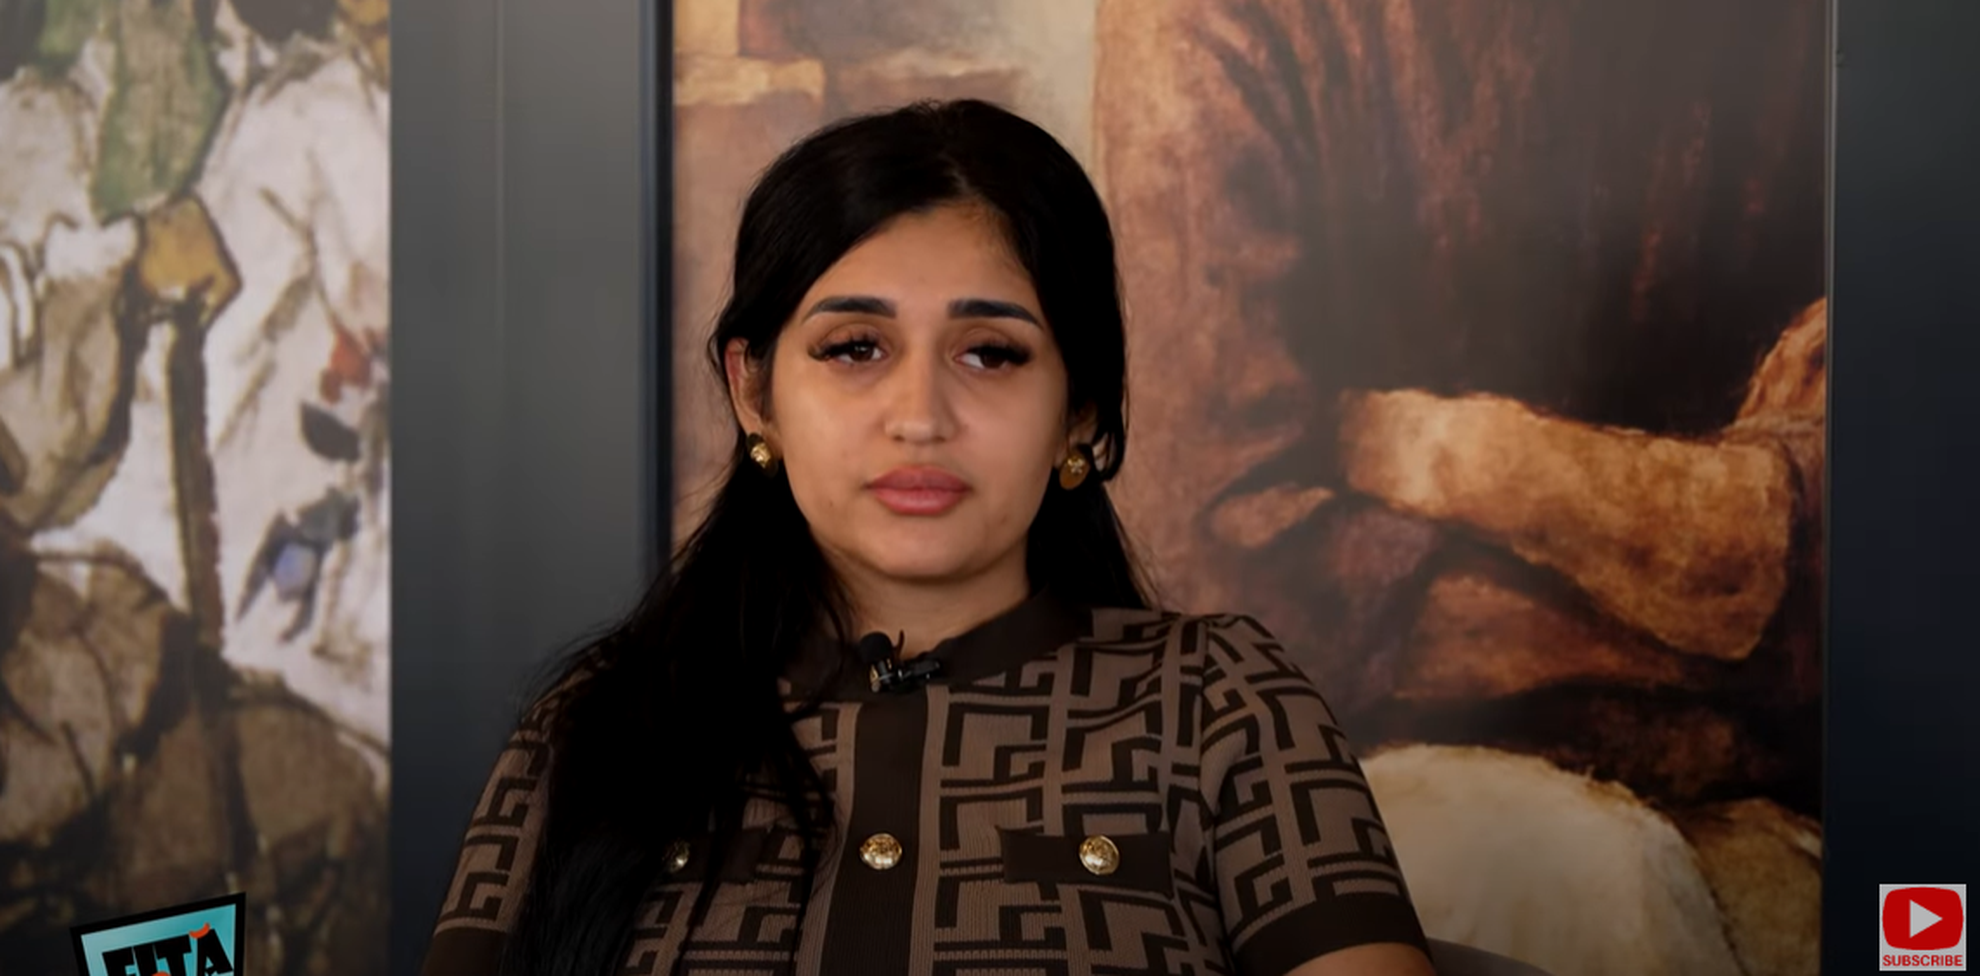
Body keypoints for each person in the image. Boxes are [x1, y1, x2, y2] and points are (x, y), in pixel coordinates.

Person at [420, 100, 1436, 976]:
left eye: (990, 354)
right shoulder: (594, 728)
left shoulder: (1220, 702)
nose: (919, 416)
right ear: (755, 391)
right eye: (854, 347)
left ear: (1079, 410)